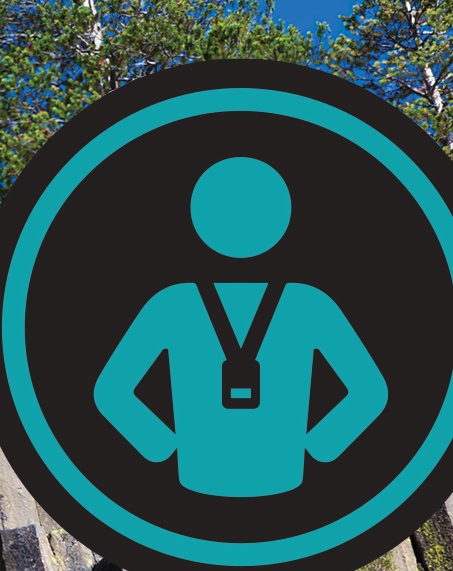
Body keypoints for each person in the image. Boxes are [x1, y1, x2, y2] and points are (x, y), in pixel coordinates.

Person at [91, 157, 384, 499]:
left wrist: (163, 447)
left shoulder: (172, 303)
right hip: (282, 472)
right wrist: (318, 447)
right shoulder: (309, 303)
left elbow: (111, 392)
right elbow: (369, 392)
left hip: (200, 474)